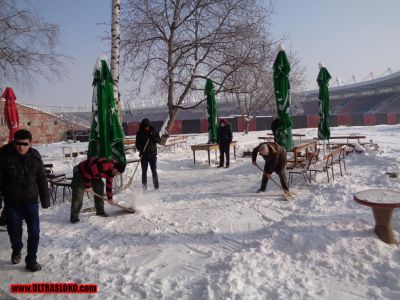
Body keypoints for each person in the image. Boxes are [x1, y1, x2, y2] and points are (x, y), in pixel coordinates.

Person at [0, 129, 50, 272]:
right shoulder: (4, 156)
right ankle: (16, 249)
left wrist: (45, 199)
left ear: (30, 143)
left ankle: (31, 260)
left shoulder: (35, 156)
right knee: (14, 232)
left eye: (24, 144)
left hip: (31, 201)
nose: (21, 147)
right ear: (14, 142)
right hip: (12, 202)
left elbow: (41, 178)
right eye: (18, 144)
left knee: (34, 232)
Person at [70, 158, 126, 223]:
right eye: (117, 173)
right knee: (78, 193)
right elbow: (89, 171)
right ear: (115, 168)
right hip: (81, 172)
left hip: (94, 175)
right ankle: (74, 216)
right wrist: (88, 186)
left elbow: (109, 185)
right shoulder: (105, 165)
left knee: (99, 187)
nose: (116, 174)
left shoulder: (112, 172)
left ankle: (100, 211)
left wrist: (110, 198)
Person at [135, 118, 161, 191]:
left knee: (154, 171)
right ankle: (144, 188)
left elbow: (159, 140)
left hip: (152, 154)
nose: (147, 128)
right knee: (144, 172)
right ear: (143, 126)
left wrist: (152, 137)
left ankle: (156, 187)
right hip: (144, 155)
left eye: (148, 126)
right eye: (145, 126)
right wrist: (141, 150)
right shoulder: (139, 133)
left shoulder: (154, 131)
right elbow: (137, 144)